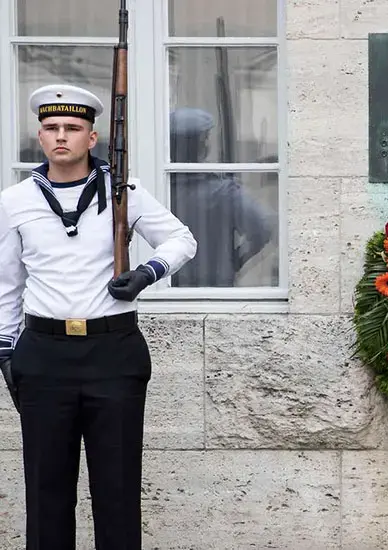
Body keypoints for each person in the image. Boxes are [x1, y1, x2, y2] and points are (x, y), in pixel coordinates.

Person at [0, 84, 197, 548]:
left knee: (118, 490)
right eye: (51, 128)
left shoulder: (124, 191)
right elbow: (7, 283)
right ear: (40, 137)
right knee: (46, 493)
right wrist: (5, 350)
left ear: (92, 138)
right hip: (44, 356)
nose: (61, 136)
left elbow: (182, 240)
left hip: (114, 353)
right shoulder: (15, 201)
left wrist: (147, 272)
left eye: (73, 128)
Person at [168, 107, 273, 287]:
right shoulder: (223, 192)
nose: (207, 144)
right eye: (205, 138)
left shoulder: (157, 188)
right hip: (216, 291)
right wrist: (235, 262)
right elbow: (262, 228)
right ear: (200, 145)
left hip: (164, 286)